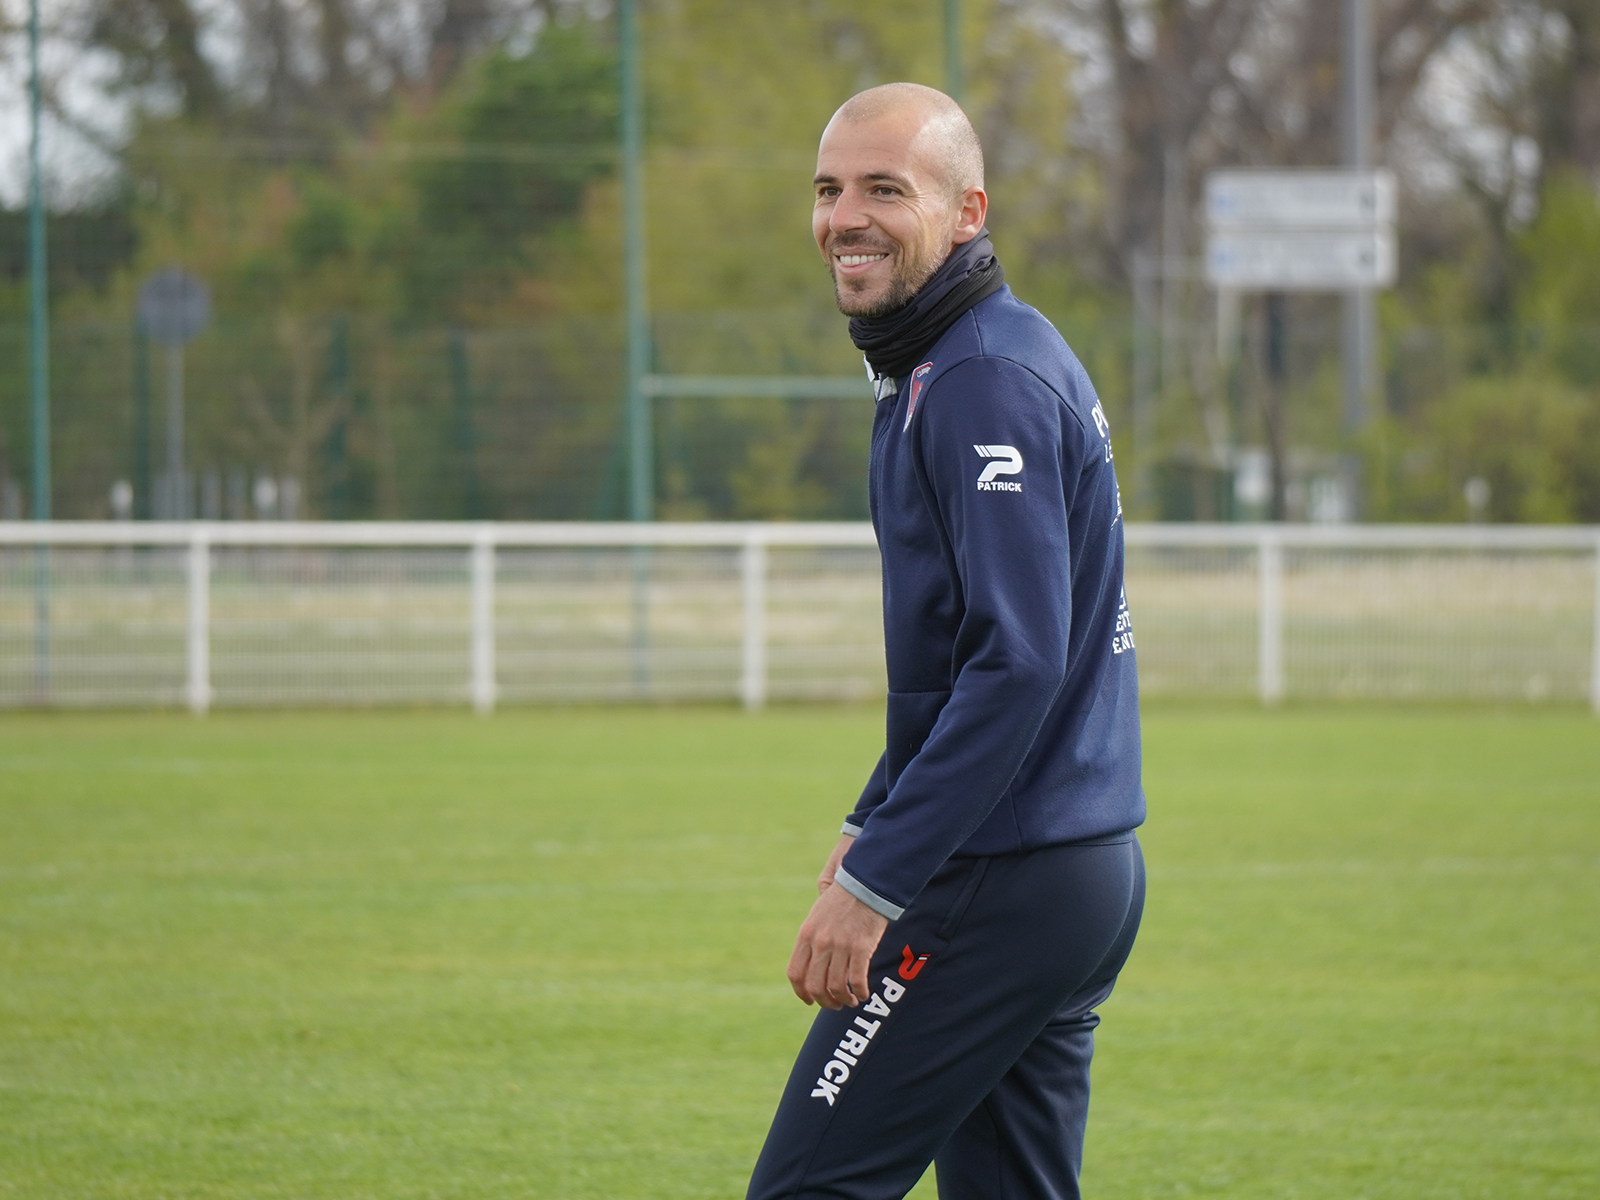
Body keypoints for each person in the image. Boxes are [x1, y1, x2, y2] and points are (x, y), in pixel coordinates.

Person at [745, 83, 1146, 1200]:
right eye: (828, 191)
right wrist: (869, 812)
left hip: (1005, 876)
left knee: (810, 1189)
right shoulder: (963, 357)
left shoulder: (977, 378)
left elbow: (1018, 662)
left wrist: (874, 881)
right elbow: (970, 662)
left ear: (968, 210)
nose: (844, 218)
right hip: (1073, 868)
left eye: (885, 188)